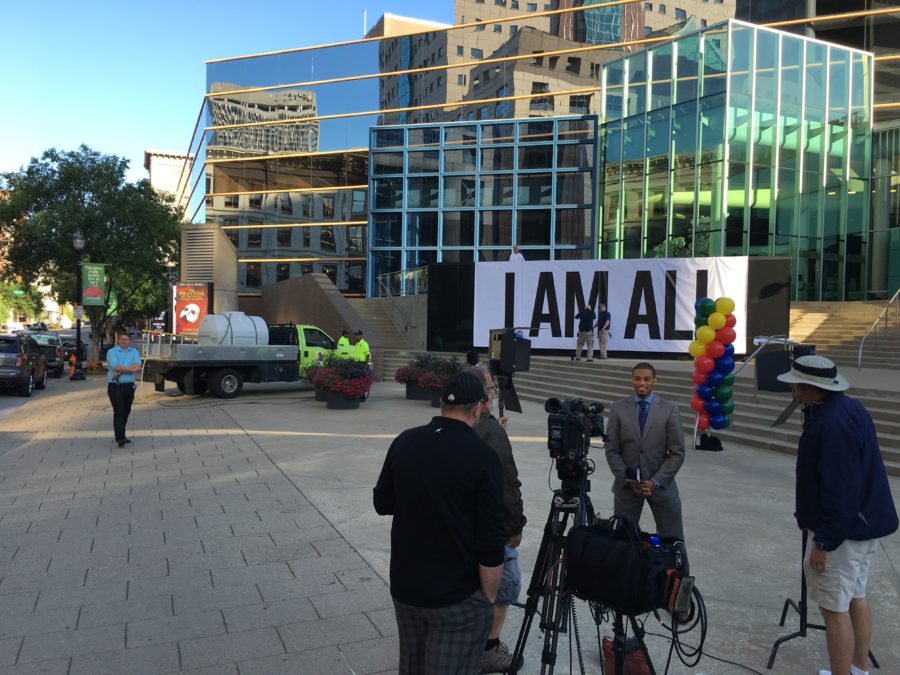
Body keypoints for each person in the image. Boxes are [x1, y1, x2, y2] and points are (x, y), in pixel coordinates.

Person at [374, 372, 506, 674]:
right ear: (478, 408)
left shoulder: (405, 441)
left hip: (406, 589)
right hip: (456, 597)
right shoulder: (483, 457)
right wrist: (488, 596)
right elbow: (490, 538)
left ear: (441, 403)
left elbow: (382, 503)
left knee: (413, 667)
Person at [777, 355, 898, 675]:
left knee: (834, 610)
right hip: (862, 527)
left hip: (842, 533)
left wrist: (825, 543)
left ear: (809, 387)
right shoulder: (848, 408)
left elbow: (839, 488)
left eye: (797, 385)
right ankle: (858, 669)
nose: (794, 390)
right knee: (856, 597)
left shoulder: (832, 423)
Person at [468, 367, 526, 673]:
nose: (494, 393)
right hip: (492, 530)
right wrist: (515, 526)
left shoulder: (468, 425)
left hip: (464, 527)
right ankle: (489, 648)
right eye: (491, 389)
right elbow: (506, 483)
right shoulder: (491, 431)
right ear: (483, 398)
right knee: (506, 584)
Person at [604, 362, 686, 540]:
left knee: (673, 541)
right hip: (627, 487)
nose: (642, 383)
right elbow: (612, 450)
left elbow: (677, 452)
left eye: (647, 379)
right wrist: (627, 478)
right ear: (631, 380)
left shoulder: (669, 409)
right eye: (637, 378)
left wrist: (655, 482)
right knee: (622, 542)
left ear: (654, 381)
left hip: (662, 486)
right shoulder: (618, 408)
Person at [106, 332, 142, 448]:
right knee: (119, 411)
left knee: (126, 411)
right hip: (115, 386)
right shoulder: (112, 352)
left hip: (129, 386)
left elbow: (138, 366)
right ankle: (120, 438)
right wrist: (130, 369)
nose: (124, 341)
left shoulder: (134, 352)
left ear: (129, 341)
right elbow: (115, 366)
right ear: (118, 340)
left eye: (126, 339)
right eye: (122, 339)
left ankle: (122, 434)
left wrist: (121, 371)